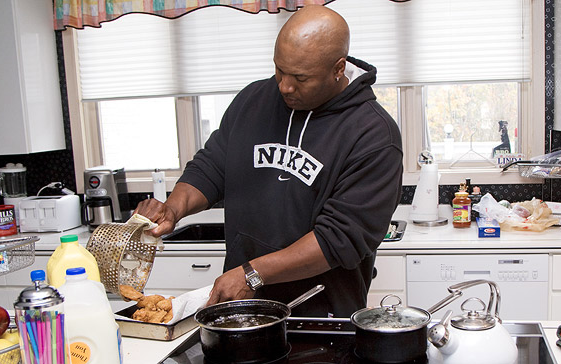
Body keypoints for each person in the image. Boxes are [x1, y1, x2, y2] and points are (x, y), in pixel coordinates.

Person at [134, 4, 403, 317]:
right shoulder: (254, 100)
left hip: (319, 316)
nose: (284, 86)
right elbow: (211, 168)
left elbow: (338, 239)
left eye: (300, 78)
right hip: (241, 307)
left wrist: (252, 272)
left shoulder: (374, 135)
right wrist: (173, 208)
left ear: (338, 68)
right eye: (279, 70)